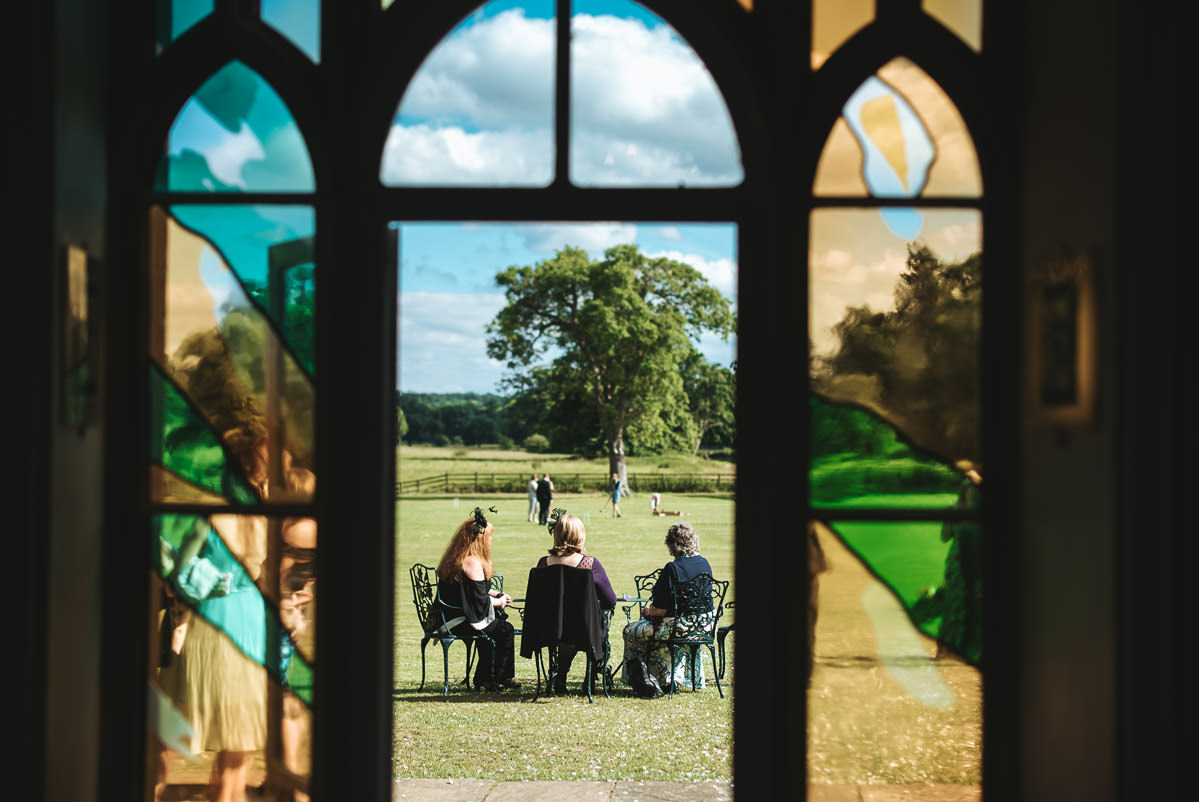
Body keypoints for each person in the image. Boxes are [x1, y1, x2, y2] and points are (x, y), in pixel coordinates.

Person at [431, 507, 521, 692]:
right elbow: (476, 602)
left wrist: (496, 594)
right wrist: (499, 603)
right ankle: (496, 677)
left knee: (495, 626)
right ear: (480, 540)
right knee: (504, 629)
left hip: (446, 615)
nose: (491, 540)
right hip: (455, 620)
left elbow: (475, 590)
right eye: (489, 537)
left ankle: (489, 677)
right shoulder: (472, 562)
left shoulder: (457, 557)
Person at [621, 521, 715, 693]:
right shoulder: (705, 564)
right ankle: (669, 679)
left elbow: (658, 611)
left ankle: (641, 679)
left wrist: (647, 611)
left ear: (672, 544)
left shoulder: (673, 568)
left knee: (631, 630)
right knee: (666, 631)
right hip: (704, 625)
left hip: (679, 627)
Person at [534, 510, 617, 692]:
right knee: (598, 631)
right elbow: (610, 600)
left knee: (567, 635)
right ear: (579, 536)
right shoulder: (590, 564)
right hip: (584, 628)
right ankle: (589, 680)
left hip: (550, 628)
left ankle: (560, 675)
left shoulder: (543, 563)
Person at [936, 460, 983, 663]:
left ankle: (954, 650)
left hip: (962, 563)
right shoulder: (961, 513)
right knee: (964, 604)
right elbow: (945, 535)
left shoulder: (959, 512)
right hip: (962, 562)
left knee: (960, 605)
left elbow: (945, 536)